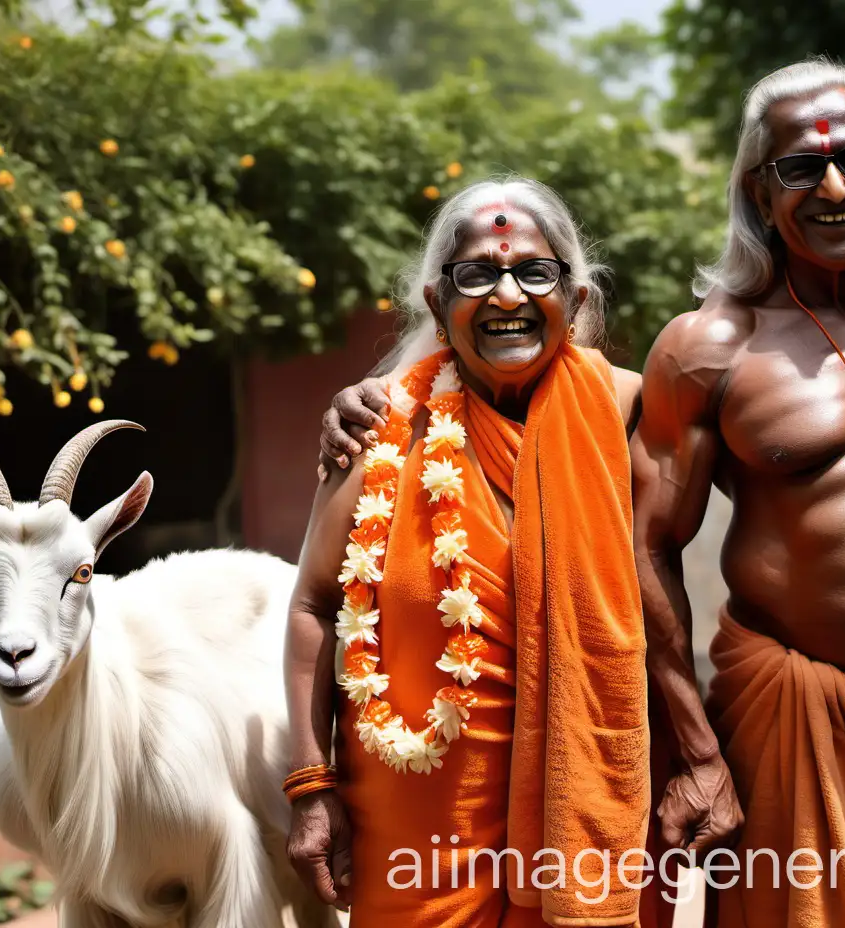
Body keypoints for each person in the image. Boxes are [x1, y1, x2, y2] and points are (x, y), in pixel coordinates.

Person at [321, 60, 845, 927]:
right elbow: (646, 545)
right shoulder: (707, 349)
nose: (833, 184)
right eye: (798, 167)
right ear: (757, 191)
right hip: (784, 718)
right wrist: (698, 752)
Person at [284, 177, 656, 928]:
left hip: (584, 813)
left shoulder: (627, 410)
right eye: (477, 274)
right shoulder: (378, 427)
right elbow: (313, 605)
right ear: (436, 302)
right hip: (412, 831)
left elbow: (661, 597)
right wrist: (309, 784)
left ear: (576, 299)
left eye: (533, 272)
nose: (506, 295)